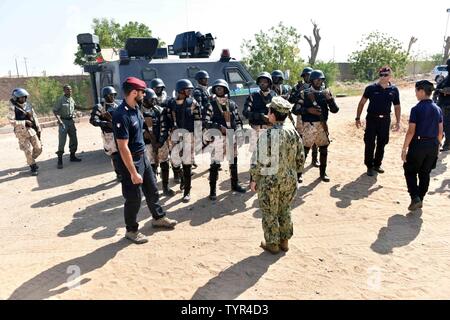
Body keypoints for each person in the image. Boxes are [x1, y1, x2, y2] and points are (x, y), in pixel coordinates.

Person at [112, 77, 177, 245]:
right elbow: (122, 147)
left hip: (143, 157)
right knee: (133, 198)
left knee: (152, 189)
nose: (144, 94)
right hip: (130, 161)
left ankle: (158, 218)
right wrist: (133, 172)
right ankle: (131, 230)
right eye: (141, 92)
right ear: (134, 93)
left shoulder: (135, 109)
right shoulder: (121, 114)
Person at [250, 96, 305, 254]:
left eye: (269, 111)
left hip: (270, 181)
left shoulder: (267, 135)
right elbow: (300, 158)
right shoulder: (293, 133)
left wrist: (254, 179)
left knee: (269, 212)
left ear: (273, 114)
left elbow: (258, 161)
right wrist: (294, 173)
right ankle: (284, 241)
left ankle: (272, 244)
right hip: (289, 180)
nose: (267, 113)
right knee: (285, 209)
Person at [402, 80, 443, 211]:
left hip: (418, 144)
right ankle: (420, 198)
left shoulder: (416, 109)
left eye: (416, 91)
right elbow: (440, 131)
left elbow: (411, 131)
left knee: (410, 170)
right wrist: (437, 148)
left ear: (421, 91)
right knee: (425, 173)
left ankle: (415, 197)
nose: (415, 94)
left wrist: (404, 148)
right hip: (433, 144)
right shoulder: (438, 109)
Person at [293, 70, 339, 182]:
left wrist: (330, 99)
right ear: (312, 80)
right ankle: (298, 174)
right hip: (309, 125)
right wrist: (308, 110)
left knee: (323, 149)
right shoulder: (305, 93)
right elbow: (295, 110)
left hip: (322, 126)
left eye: (321, 79)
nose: (319, 82)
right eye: (317, 79)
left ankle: (323, 173)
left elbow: (335, 110)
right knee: (304, 151)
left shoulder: (326, 93)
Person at [205, 79, 246, 200]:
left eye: (221, 88)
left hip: (231, 136)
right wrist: (219, 127)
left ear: (225, 89)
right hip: (218, 138)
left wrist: (239, 130)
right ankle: (212, 191)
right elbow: (205, 122)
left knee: (233, 162)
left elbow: (238, 120)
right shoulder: (211, 105)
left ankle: (235, 185)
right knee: (214, 165)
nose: (219, 90)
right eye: (217, 88)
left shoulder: (232, 104)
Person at [356, 66, 401, 176]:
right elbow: (362, 103)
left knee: (382, 143)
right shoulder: (371, 88)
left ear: (390, 76)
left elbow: (397, 106)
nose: (383, 77)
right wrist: (357, 118)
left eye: (385, 75)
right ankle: (369, 166)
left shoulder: (394, 90)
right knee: (370, 143)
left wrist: (398, 121)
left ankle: (377, 164)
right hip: (372, 119)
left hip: (385, 120)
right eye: (381, 75)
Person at [165, 79, 204, 203]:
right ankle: (181, 177)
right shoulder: (170, 103)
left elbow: (198, 120)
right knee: (175, 162)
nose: (190, 91)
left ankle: (187, 191)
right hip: (174, 136)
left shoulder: (193, 103)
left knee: (187, 164)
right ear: (181, 90)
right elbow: (165, 119)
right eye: (188, 89)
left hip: (189, 136)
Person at [141, 88, 175, 197]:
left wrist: (159, 142)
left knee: (165, 163)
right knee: (151, 167)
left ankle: (165, 187)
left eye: (154, 99)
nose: (154, 102)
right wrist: (144, 134)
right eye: (151, 100)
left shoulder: (159, 110)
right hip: (147, 144)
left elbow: (164, 127)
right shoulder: (138, 112)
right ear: (144, 100)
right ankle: (153, 189)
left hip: (161, 142)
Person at [288, 67, 319, 170]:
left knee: (315, 137)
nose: (307, 77)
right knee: (301, 139)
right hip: (301, 115)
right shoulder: (297, 86)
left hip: (313, 116)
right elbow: (291, 100)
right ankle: (300, 164)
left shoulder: (317, 86)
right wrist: (299, 90)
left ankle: (315, 159)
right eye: (305, 76)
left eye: (309, 75)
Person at [89, 86, 121, 181]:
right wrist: (105, 123)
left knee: (123, 153)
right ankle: (118, 174)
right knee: (114, 155)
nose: (113, 97)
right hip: (109, 135)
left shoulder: (118, 104)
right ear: (105, 96)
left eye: (114, 94)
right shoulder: (100, 107)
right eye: (111, 95)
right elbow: (93, 120)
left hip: (120, 132)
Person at [8, 88, 42, 176]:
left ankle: (31, 160)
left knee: (38, 148)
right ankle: (33, 166)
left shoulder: (29, 105)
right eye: (21, 98)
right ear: (16, 98)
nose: (23, 99)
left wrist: (38, 128)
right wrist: (24, 122)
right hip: (21, 133)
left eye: (24, 97)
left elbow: (34, 117)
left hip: (31, 130)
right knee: (28, 151)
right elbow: (11, 121)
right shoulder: (13, 108)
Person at [53, 84, 82, 169]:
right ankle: (60, 160)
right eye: (67, 89)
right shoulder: (61, 100)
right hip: (63, 121)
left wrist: (89, 108)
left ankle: (72, 156)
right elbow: (55, 110)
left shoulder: (71, 99)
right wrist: (59, 120)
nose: (69, 91)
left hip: (71, 121)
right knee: (62, 140)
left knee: (74, 139)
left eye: (70, 89)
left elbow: (75, 107)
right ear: (64, 91)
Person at [433, 58, 450, 151]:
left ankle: (447, 145)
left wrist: (441, 90)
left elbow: (447, 90)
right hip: (442, 104)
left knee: (446, 125)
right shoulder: (447, 77)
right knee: (440, 125)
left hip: (447, 105)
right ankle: (439, 142)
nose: (447, 68)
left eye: (448, 66)